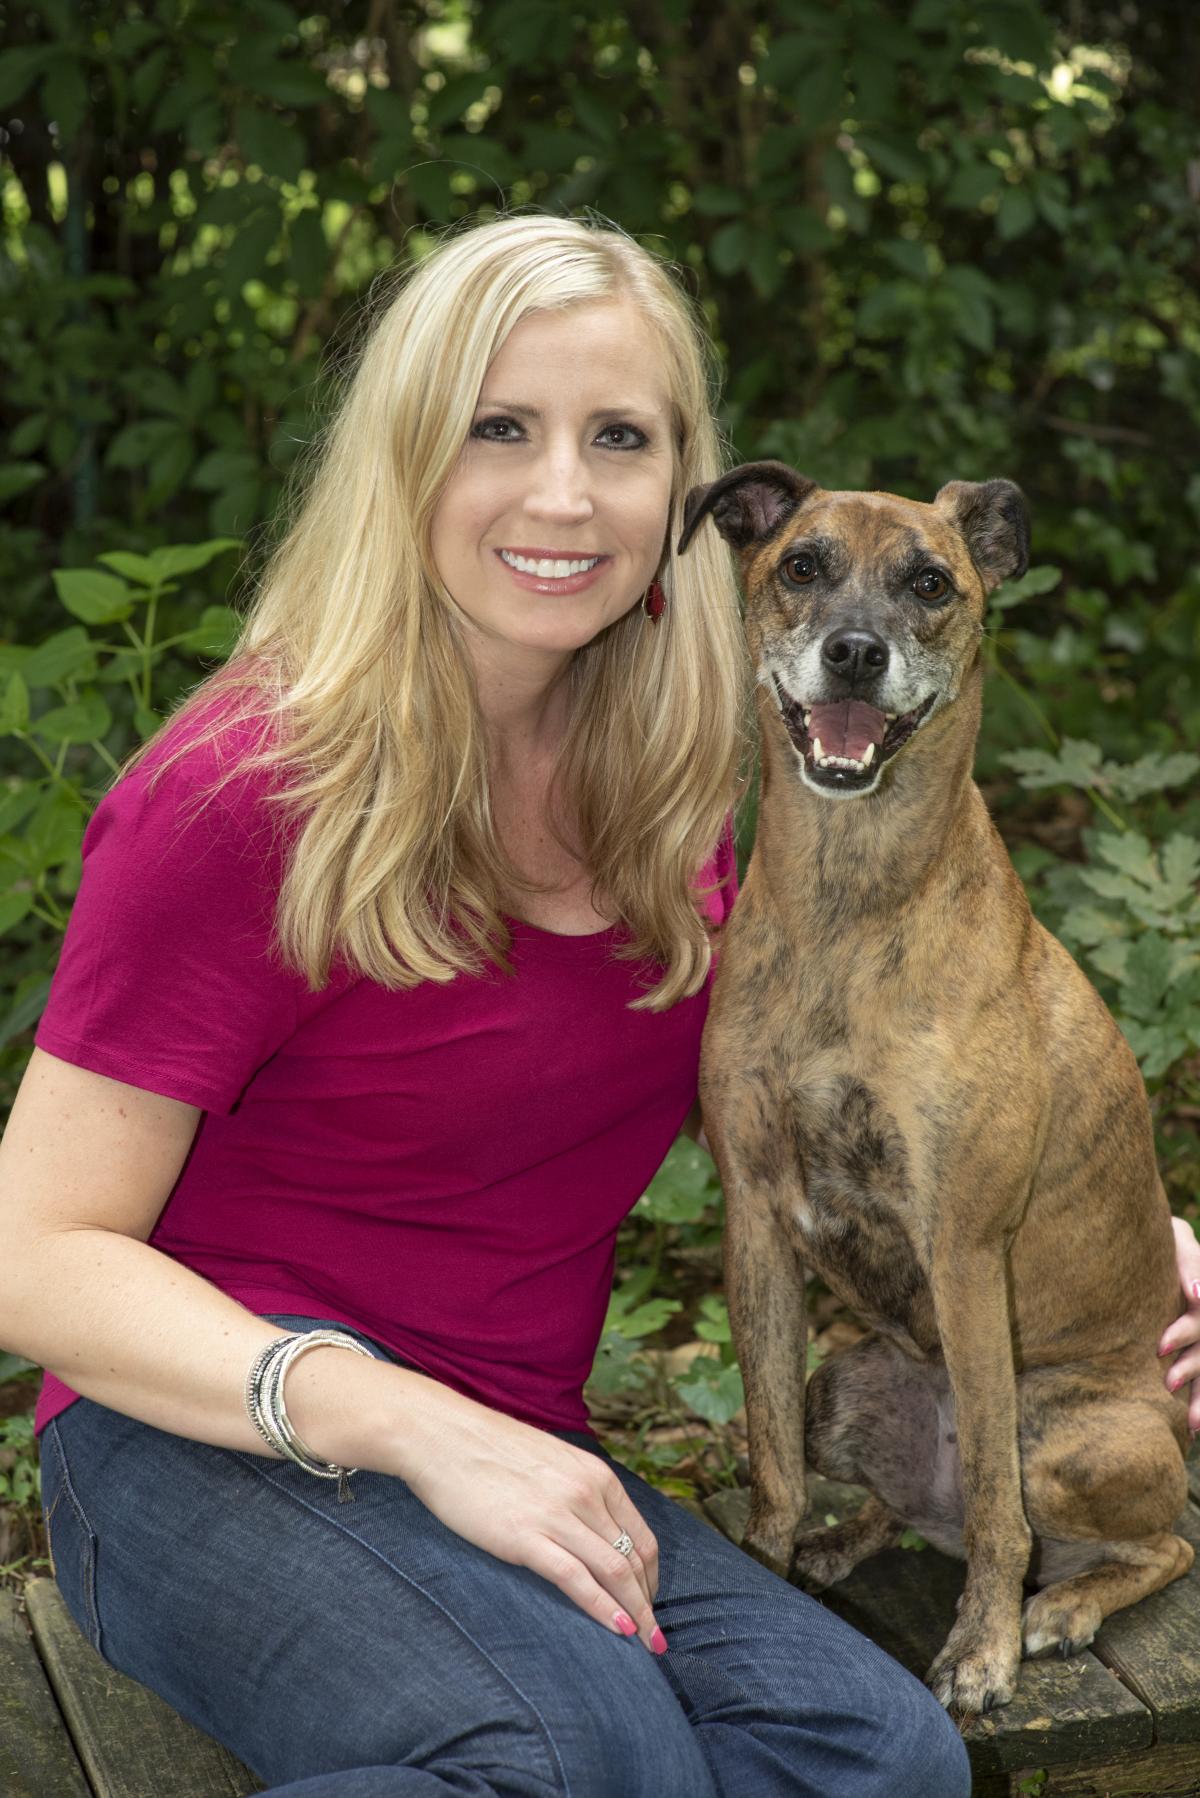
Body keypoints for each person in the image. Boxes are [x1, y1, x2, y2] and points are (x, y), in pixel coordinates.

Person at [0, 212, 1193, 1798]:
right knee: (580, 1757)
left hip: (511, 1435)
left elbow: (915, 1053)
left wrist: (1117, 1234)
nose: (563, 491)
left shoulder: (690, 801)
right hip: (201, 1429)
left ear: (684, 495)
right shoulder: (239, 796)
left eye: (616, 437)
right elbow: (28, 1256)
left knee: (881, 1757)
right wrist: (410, 1425)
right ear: (404, 457)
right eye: (501, 426)